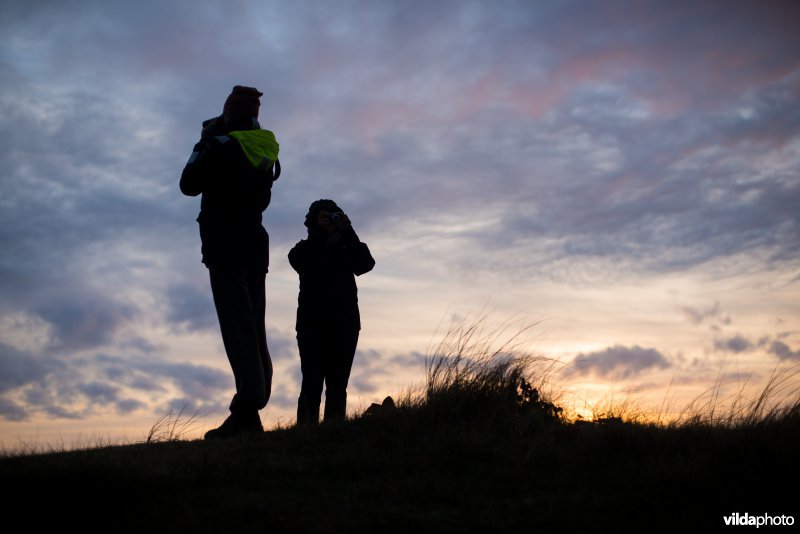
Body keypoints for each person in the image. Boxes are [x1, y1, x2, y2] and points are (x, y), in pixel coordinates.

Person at [180, 85, 281, 439]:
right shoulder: (265, 147)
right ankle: (252, 405)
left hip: (225, 245)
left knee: (237, 331)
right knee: (254, 328)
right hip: (254, 245)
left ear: (231, 114)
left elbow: (188, 184)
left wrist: (204, 143)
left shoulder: (219, 146)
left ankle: (247, 412)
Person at [288, 199, 375, 424]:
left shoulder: (347, 247)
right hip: (312, 326)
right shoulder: (304, 250)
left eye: (334, 216)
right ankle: (305, 434)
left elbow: (365, 264)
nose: (330, 221)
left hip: (345, 325)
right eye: (324, 217)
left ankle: (333, 431)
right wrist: (320, 235)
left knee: (338, 385)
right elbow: (301, 261)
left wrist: (348, 232)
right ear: (312, 223)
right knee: (311, 383)